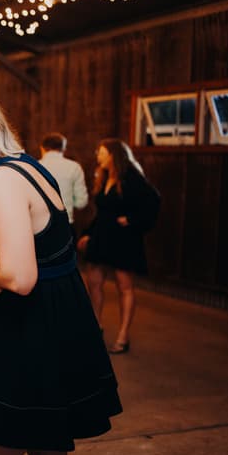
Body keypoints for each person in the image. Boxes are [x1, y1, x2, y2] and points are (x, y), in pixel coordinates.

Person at [0, 89, 122, 455]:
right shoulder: (27, 166)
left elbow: (21, 279)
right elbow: (32, 257)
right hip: (57, 326)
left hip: (29, 336)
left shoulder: (1, 178)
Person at [77, 138, 160, 354]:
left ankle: (123, 336)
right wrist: (88, 233)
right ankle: (95, 326)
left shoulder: (131, 176)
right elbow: (102, 212)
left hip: (123, 238)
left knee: (124, 286)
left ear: (113, 154)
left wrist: (132, 220)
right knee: (94, 281)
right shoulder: (104, 176)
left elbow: (153, 201)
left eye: (102, 152)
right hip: (102, 235)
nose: (98, 156)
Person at [38, 132, 88, 227]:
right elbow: (81, 202)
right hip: (66, 223)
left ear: (42, 148)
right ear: (63, 149)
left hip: (40, 225)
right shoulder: (74, 167)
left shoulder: (35, 167)